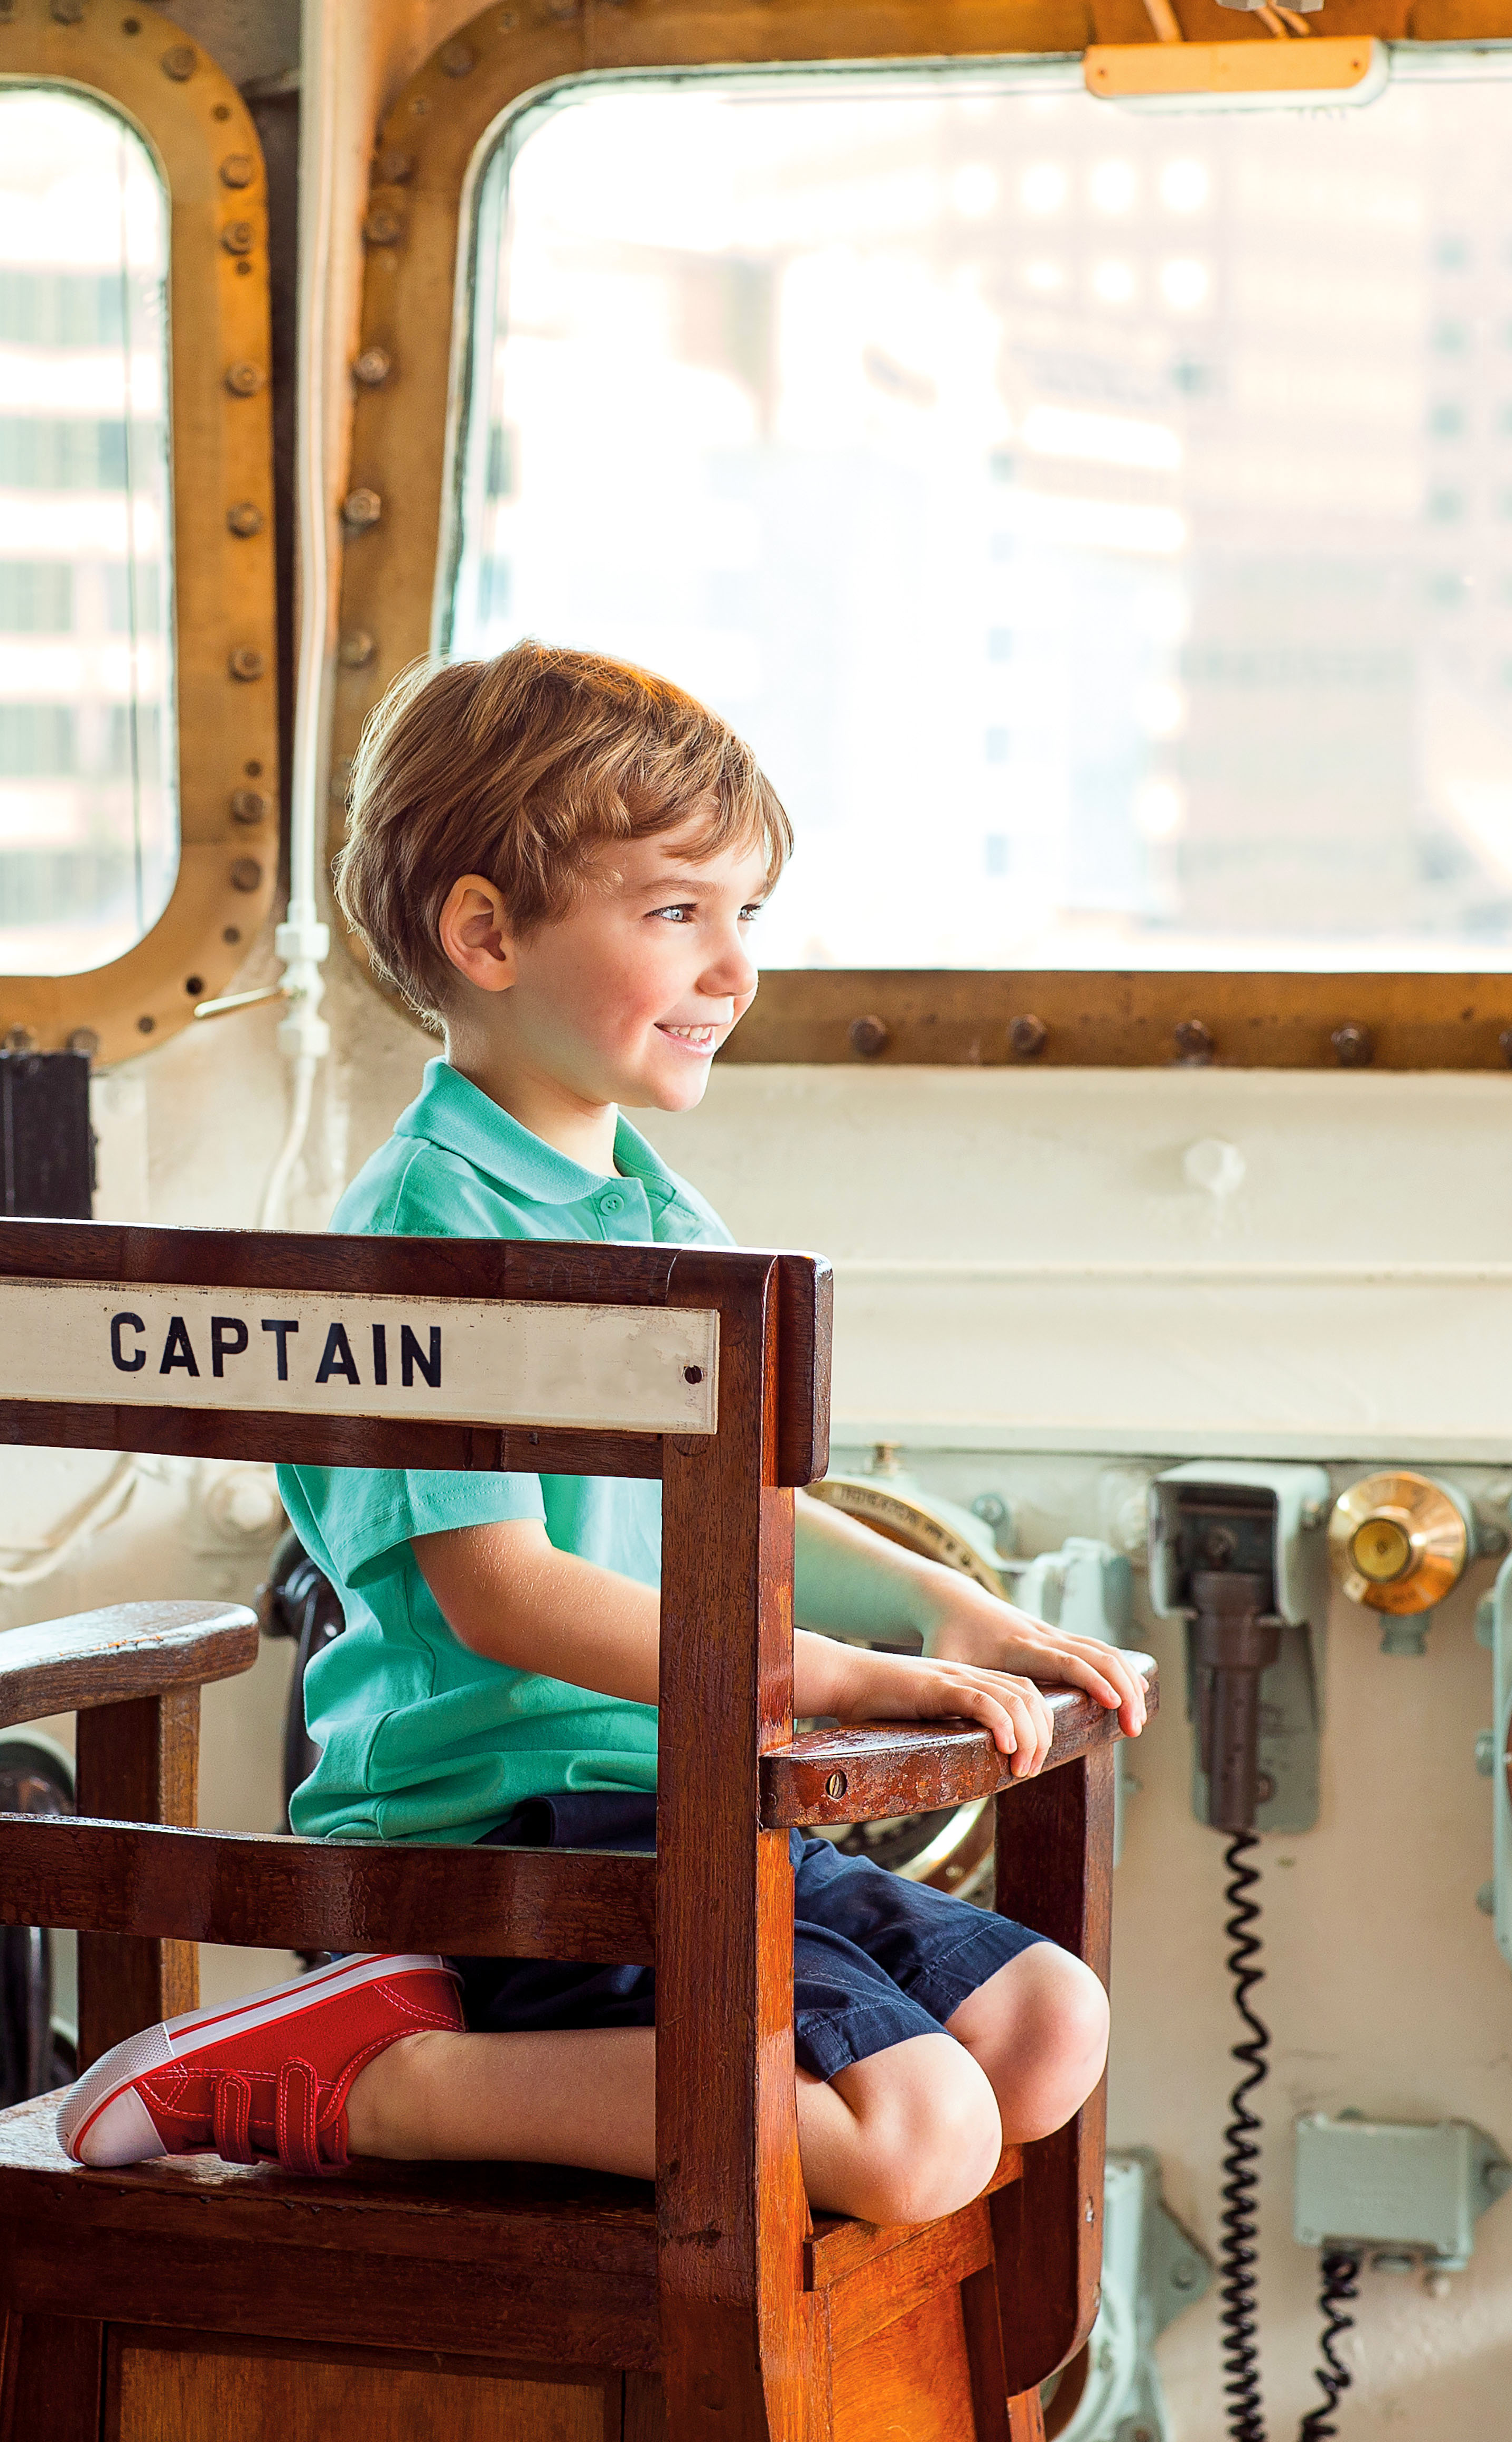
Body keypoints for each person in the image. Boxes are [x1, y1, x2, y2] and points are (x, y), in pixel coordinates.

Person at [61, 642, 1153, 2226]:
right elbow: (504, 1592)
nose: (734, 971)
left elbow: (737, 1514)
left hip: (688, 1795)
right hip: (513, 1833)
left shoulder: (656, 1207)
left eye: (744, 917)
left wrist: (949, 1612)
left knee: (1049, 2031)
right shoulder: (430, 1230)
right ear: (488, 933)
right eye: (675, 914)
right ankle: (376, 2083)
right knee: (921, 2143)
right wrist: (831, 1679)